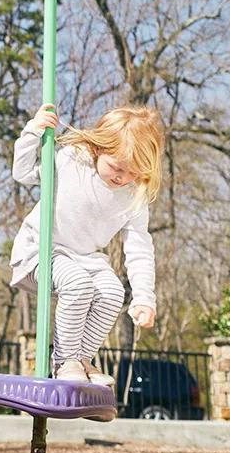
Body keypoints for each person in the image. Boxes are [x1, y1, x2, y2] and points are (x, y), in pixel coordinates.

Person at [11, 104, 165, 384]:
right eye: (117, 168)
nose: (123, 178)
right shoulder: (71, 160)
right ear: (98, 148)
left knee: (112, 293)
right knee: (78, 284)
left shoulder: (133, 195)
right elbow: (22, 173)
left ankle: (82, 359)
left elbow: (139, 247)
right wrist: (33, 132)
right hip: (40, 250)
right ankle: (64, 362)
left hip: (84, 257)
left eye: (133, 173)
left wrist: (144, 296)